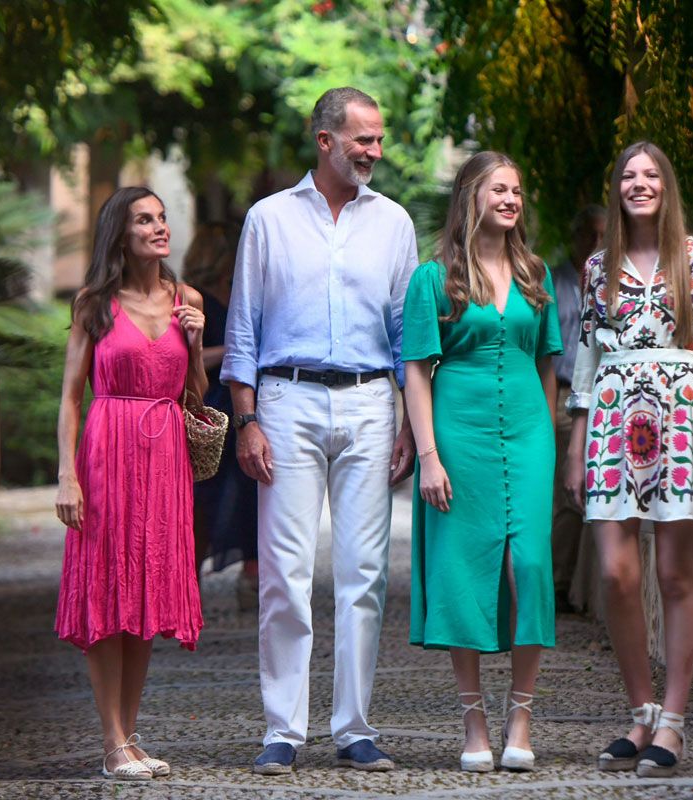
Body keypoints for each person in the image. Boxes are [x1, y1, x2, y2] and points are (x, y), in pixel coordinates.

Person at [222, 87, 419, 775]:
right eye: (362, 139)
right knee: (283, 572)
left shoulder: (394, 223)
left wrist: (405, 421)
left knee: (364, 572)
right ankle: (283, 729)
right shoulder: (269, 220)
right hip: (287, 401)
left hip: (369, 403)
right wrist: (246, 420)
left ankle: (354, 728)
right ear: (324, 140)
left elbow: (404, 334)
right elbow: (241, 329)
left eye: (379, 138)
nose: (374, 151)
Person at [564, 142, 693, 778]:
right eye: (628, 177)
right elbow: (584, 359)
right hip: (614, 419)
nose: (639, 185)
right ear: (617, 190)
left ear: (666, 187)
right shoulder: (596, 268)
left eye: (652, 175)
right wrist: (576, 442)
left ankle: (672, 721)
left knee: (674, 572)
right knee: (615, 571)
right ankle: (639, 710)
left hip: (682, 416)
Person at [403, 151, 561, 773]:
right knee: (462, 570)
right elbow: (415, 371)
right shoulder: (432, 277)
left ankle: (521, 717)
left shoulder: (533, 272)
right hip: (457, 436)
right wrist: (428, 456)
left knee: (531, 567)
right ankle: (474, 723)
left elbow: (548, 365)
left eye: (518, 191)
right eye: (500, 189)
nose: (511, 199)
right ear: (472, 195)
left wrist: (547, 443)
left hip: (526, 436)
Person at [53, 186, 208, 781]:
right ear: (121, 233)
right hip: (106, 452)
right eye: (145, 220)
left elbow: (192, 395)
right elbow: (70, 396)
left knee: (146, 591)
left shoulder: (185, 299)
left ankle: (131, 733)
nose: (159, 227)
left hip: (165, 454)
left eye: (163, 217)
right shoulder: (94, 302)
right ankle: (112, 739)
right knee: (106, 588)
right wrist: (67, 476)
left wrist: (194, 342)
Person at [182, 223, 260, 610]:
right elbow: (186, 359)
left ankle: (252, 576)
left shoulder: (242, 294)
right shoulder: (191, 300)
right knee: (204, 494)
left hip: (242, 402)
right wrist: (233, 350)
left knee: (251, 490)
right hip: (212, 404)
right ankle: (188, 582)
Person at [550, 205, 607, 613]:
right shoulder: (555, 283)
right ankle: (557, 584)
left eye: (605, 235)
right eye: (592, 234)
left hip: (606, 398)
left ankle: (584, 589)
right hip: (562, 394)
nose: (597, 244)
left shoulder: (609, 280)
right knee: (566, 493)